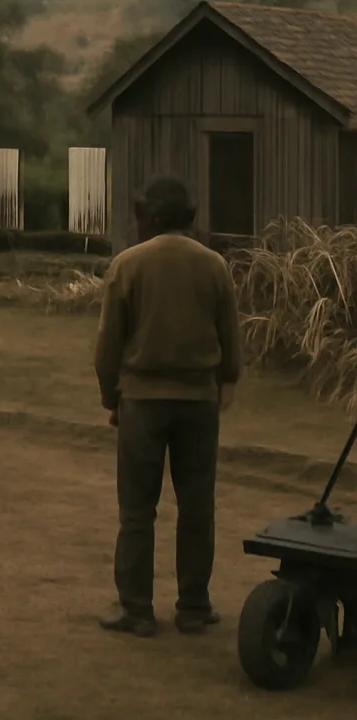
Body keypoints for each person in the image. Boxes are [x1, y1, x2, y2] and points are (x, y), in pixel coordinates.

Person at [94, 176, 241, 638]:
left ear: (150, 217)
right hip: (198, 400)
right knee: (197, 506)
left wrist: (111, 396)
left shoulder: (129, 264)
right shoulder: (214, 264)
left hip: (142, 398)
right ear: (190, 217)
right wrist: (228, 378)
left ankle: (137, 609)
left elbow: (108, 343)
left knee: (137, 509)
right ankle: (194, 606)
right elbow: (229, 333)